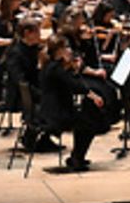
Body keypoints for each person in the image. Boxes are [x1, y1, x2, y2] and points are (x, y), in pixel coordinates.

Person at [37, 35, 109, 172]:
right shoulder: (55, 69)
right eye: (67, 47)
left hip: (49, 110)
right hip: (56, 115)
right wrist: (93, 96)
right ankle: (77, 158)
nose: (70, 50)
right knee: (89, 123)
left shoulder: (50, 65)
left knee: (86, 119)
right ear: (59, 50)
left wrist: (73, 68)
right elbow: (75, 86)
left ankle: (77, 157)